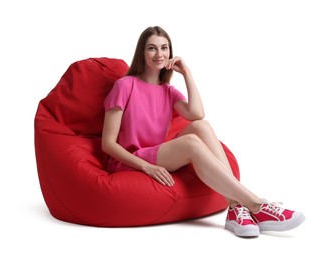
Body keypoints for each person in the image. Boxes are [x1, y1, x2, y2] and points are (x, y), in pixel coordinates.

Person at [101, 26, 305, 237]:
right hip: (130, 160)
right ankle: (257, 205)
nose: (159, 54)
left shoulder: (168, 90)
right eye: (151, 48)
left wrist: (187, 72)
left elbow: (197, 113)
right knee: (190, 141)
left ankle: (235, 208)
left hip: (156, 153)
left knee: (202, 126)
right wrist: (145, 166)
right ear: (141, 53)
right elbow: (108, 143)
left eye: (164, 48)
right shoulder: (125, 85)